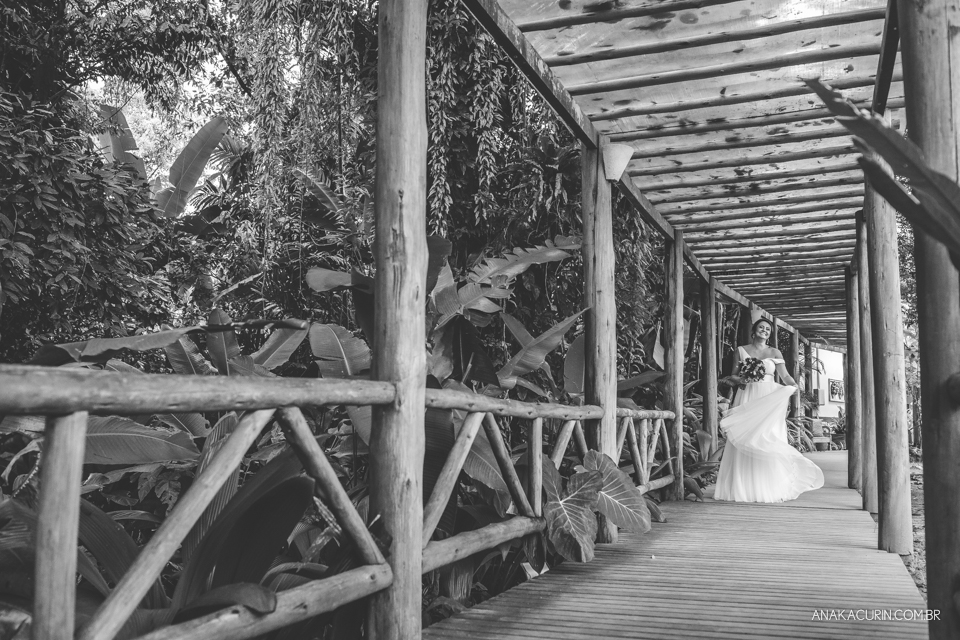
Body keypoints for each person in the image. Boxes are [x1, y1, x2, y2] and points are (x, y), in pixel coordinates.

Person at [713, 318, 824, 502]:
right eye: (761, 327)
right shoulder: (741, 350)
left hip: (768, 397)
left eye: (767, 329)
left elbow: (785, 375)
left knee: (767, 436)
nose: (764, 330)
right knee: (746, 436)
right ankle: (743, 488)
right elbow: (733, 374)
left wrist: (794, 387)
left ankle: (769, 487)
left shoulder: (774, 351)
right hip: (748, 395)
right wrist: (742, 379)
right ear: (754, 330)